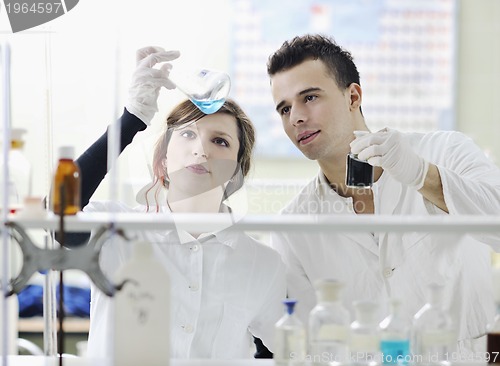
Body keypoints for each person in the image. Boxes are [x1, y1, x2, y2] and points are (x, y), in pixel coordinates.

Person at [266, 34, 500, 356]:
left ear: (353, 96)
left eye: (309, 97)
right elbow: (312, 349)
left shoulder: (446, 151)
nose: (296, 118)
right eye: (284, 108)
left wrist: (422, 175)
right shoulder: (292, 227)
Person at [70, 47, 286, 359]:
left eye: (220, 141)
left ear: (238, 171)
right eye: (187, 135)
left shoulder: (262, 264)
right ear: (163, 159)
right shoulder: (117, 232)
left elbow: (288, 351)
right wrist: (132, 119)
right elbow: (58, 216)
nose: (201, 148)